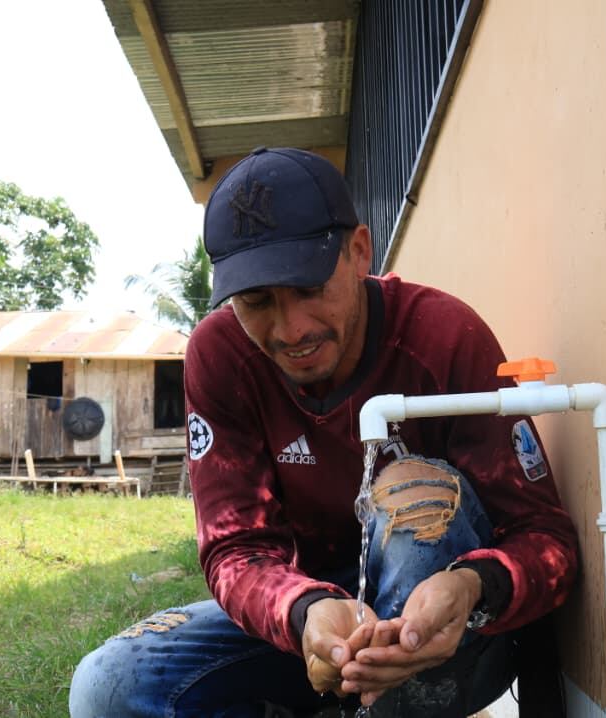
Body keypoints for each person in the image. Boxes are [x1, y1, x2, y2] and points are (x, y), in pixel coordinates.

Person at [69, 147, 579, 717]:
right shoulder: (220, 357)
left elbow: (546, 538)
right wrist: (304, 609)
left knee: (411, 491)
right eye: (256, 302)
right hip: (313, 623)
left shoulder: (443, 338)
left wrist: (469, 586)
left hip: (447, 633)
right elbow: (236, 550)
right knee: (105, 686)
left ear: (359, 252)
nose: (291, 329)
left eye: (310, 289)